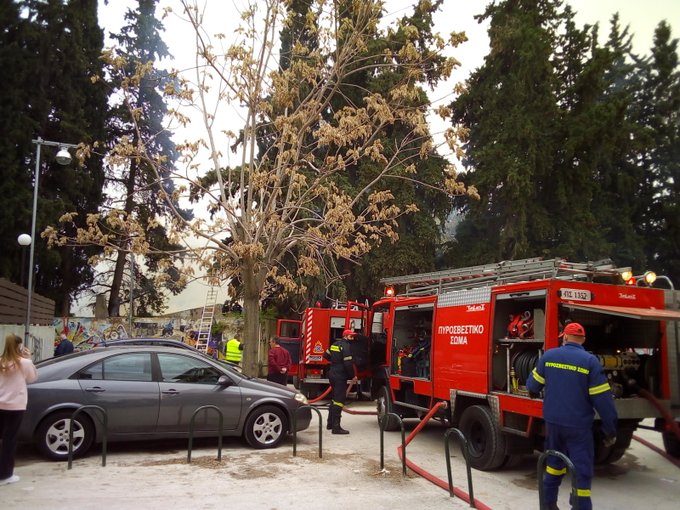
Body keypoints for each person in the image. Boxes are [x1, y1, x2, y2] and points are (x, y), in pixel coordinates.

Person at [527, 322, 617, 510]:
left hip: (553, 424)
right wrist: (609, 429)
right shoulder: (590, 362)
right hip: (578, 427)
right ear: (583, 340)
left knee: (553, 464)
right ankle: (579, 506)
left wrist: (536, 392)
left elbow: (532, 386)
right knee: (582, 469)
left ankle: (548, 504)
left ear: (565, 337)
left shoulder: (549, 356)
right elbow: (603, 400)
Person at [0, 334, 38, 486]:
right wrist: (29, 358)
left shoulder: (1, 361)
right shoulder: (24, 363)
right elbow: (32, 378)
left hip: (0, 404)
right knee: (9, 440)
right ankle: (5, 475)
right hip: (16, 406)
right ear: (19, 346)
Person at [323, 329, 358, 435]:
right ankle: (336, 428)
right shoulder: (346, 346)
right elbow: (348, 364)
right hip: (340, 375)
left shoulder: (335, 344)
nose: (353, 338)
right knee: (339, 400)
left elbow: (326, 355)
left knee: (334, 399)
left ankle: (330, 424)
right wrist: (353, 376)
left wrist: (335, 361)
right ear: (346, 336)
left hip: (332, 373)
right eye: (351, 337)